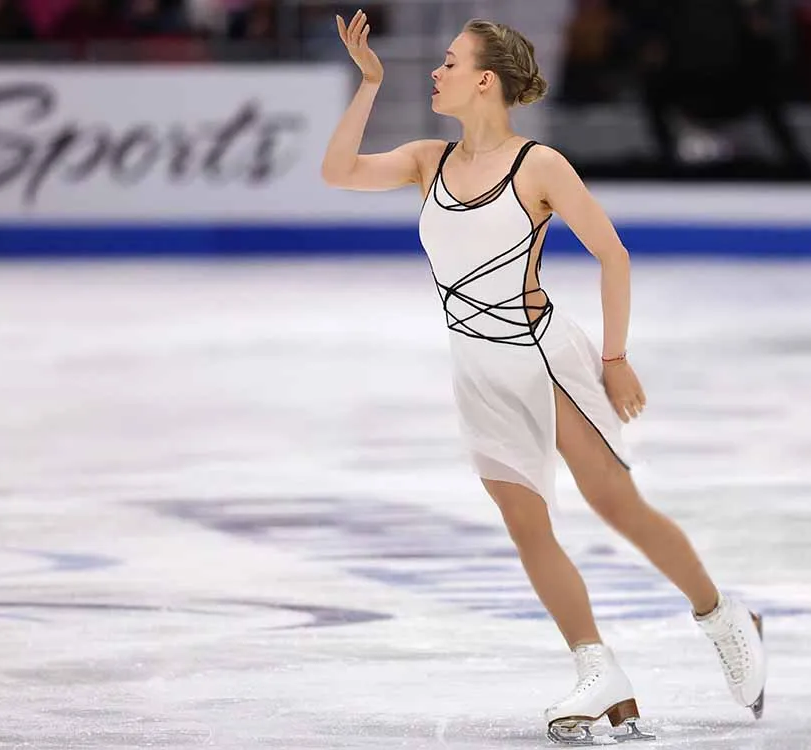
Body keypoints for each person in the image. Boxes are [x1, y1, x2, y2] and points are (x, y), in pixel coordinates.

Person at [320, 11, 766, 743]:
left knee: (615, 505)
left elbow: (613, 255)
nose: (436, 71)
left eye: (451, 62)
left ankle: (724, 617)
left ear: (485, 81)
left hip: (542, 356)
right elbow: (337, 172)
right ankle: (598, 668)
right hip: (477, 369)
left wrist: (615, 359)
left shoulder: (539, 166)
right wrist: (368, 83)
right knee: (527, 529)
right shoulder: (427, 161)